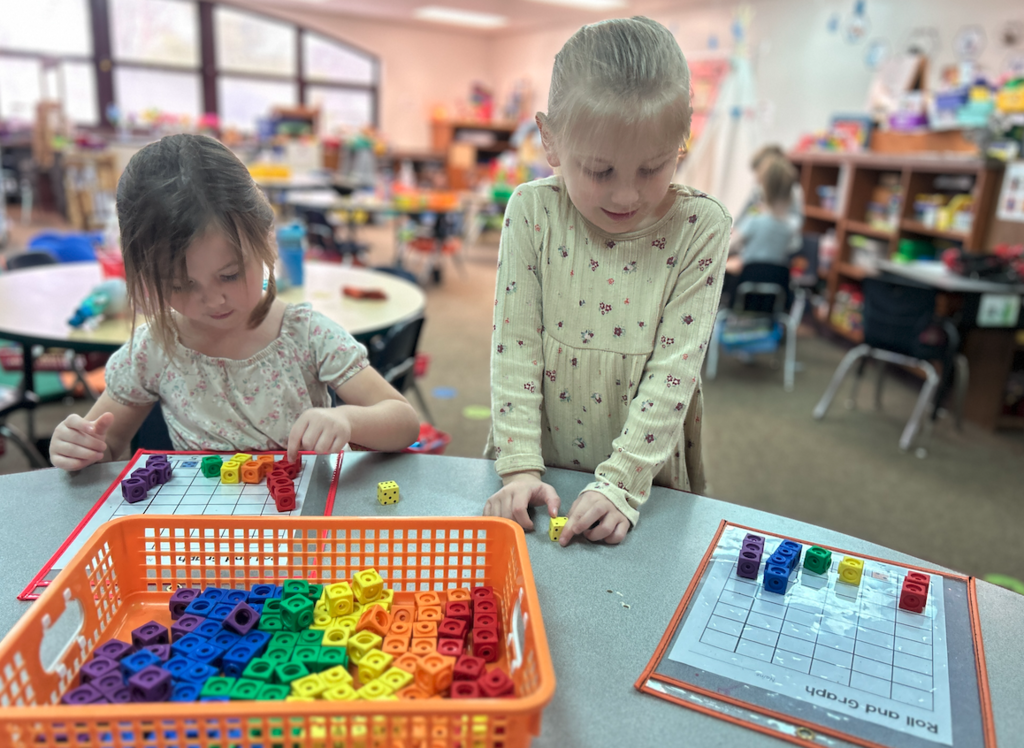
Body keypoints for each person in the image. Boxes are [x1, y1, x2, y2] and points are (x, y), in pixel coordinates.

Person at [482, 17, 731, 546]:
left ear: (682, 136)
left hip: (643, 478)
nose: (625, 196)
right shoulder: (531, 211)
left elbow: (673, 375)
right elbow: (515, 347)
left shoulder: (701, 227)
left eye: (652, 168)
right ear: (551, 140)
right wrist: (520, 468)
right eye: (599, 171)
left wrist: (621, 482)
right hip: (535, 460)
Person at [49, 134, 420, 471]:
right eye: (181, 285)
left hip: (299, 529)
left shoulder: (306, 336)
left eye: (229, 274)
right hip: (205, 534)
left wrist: (348, 421)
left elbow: (403, 422)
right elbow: (109, 443)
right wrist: (80, 446)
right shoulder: (153, 349)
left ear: (265, 241)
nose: (213, 299)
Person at [726, 156, 799, 276]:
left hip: (747, 284)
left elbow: (730, 246)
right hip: (776, 285)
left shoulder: (755, 220)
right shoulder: (790, 226)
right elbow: (793, 247)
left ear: (763, 188)